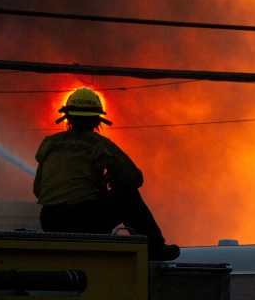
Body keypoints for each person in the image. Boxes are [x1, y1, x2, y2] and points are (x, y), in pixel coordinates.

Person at [33, 87, 179, 261]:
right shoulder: (100, 145)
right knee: (127, 195)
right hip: (85, 222)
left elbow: (38, 189)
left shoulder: (49, 143)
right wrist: (113, 178)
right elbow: (135, 179)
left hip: (50, 221)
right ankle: (155, 248)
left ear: (67, 117)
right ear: (97, 119)